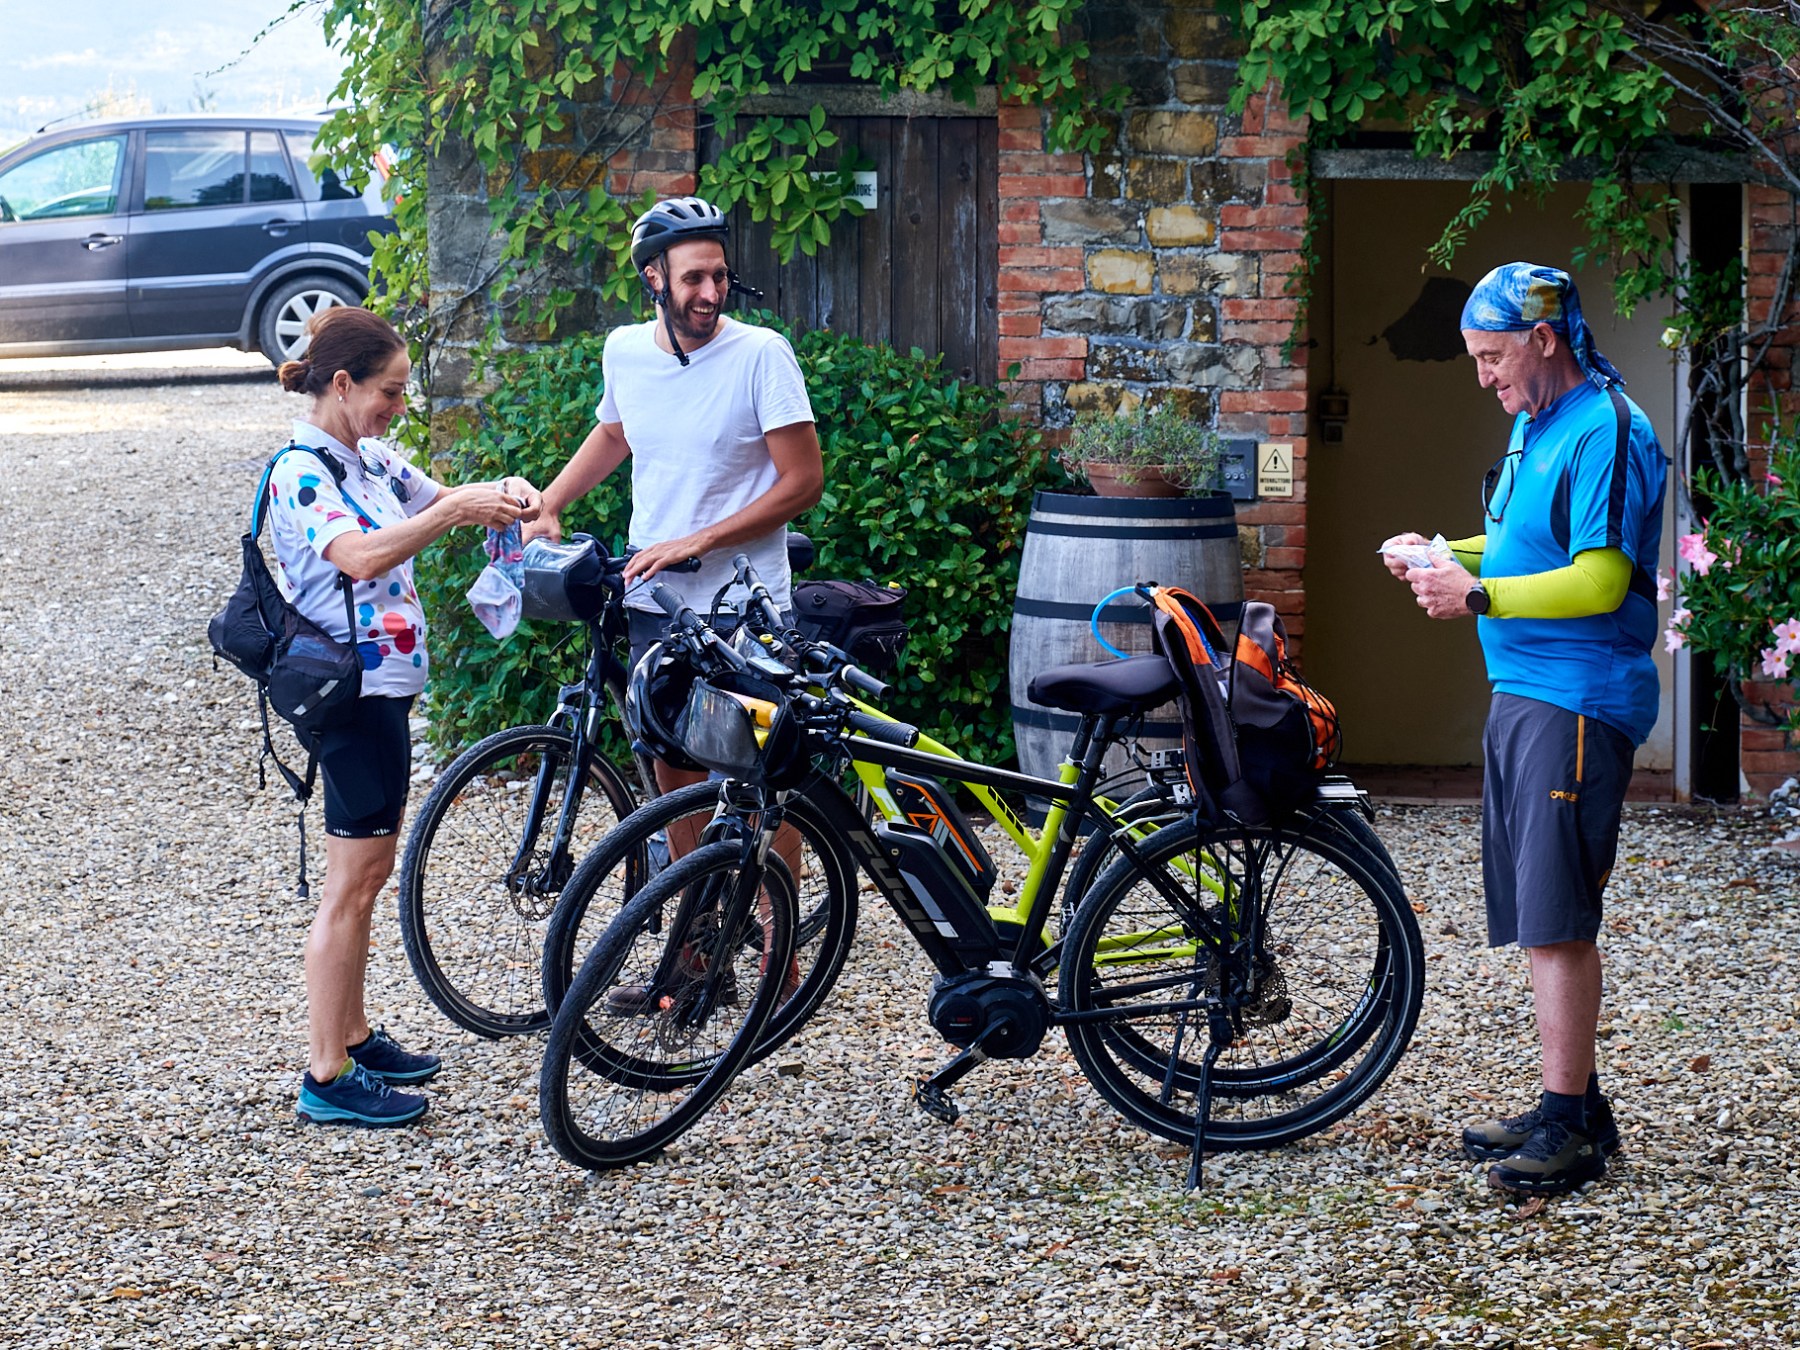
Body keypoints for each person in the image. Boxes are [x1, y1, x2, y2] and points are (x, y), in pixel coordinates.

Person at [1380, 261, 1668, 1195]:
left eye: (1493, 355)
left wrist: (1476, 593)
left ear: (1545, 340)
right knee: (1540, 911)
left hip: (1578, 697)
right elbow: (1513, 547)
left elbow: (1600, 581)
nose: (1483, 376)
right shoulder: (1534, 426)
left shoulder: (1610, 430)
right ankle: (1573, 1103)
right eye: (1475, 358)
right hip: (1526, 691)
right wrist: (1442, 553)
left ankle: (1568, 1129)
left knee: (1556, 919)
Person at [269, 306, 542, 1127]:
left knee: (371, 870)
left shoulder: (370, 457)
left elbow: (439, 497)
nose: (397, 406)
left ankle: (351, 1034)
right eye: (389, 392)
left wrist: (498, 496)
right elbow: (358, 556)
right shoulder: (302, 472)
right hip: (347, 696)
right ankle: (326, 1074)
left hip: (383, 689)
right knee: (350, 887)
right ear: (343, 385)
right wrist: (456, 514)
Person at [525, 194, 824, 809]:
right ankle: (695, 905)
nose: (711, 292)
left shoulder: (760, 355)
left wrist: (699, 539)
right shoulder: (625, 351)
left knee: (765, 780)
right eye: (694, 278)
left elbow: (802, 482)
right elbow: (616, 432)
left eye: (719, 275)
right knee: (670, 768)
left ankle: (778, 910)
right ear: (654, 279)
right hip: (656, 602)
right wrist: (550, 502)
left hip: (748, 606)